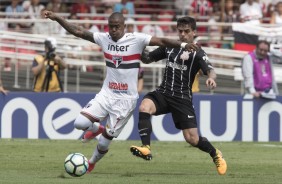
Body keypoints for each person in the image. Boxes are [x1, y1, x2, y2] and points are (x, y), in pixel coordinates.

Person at [43, 10, 199, 173]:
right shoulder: (104, 38)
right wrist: (57, 18)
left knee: (104, 142)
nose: (113, 30)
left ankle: (91, 163)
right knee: (80, 123)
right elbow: (78, 32)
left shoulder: (136, 39)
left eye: (117, 27)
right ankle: (99, 129)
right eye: (111, 27)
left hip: (125, 101)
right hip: (106, 94)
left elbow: (161, 40)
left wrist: (182, 45)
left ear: (124, 26)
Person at [130, 16, 227, 175]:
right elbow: (147, 59)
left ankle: (215, 153)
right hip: (164, 92)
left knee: (192, 139)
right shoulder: (169, 47)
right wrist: (137, 46)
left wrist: (211, 78)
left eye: (186, 31)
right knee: (144, 106)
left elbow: (210, 69)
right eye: (180, 31)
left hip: (182, 98)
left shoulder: (198, 52)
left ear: (194, 32)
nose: (183, 34)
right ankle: (146, 148)